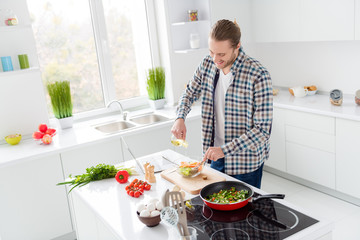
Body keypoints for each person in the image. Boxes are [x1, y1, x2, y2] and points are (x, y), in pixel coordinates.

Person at [171, 19, 273, 188]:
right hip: (214, 158)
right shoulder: (206, 64)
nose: (215, 59)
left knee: (246, 212)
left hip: (245, 163)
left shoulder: (258, 74)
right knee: (216, 210)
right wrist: (180, 117)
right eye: (212, 52)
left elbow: (262, 131)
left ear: (237, 46)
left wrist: (224, 150)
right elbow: (189, 93)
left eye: (222, 54)